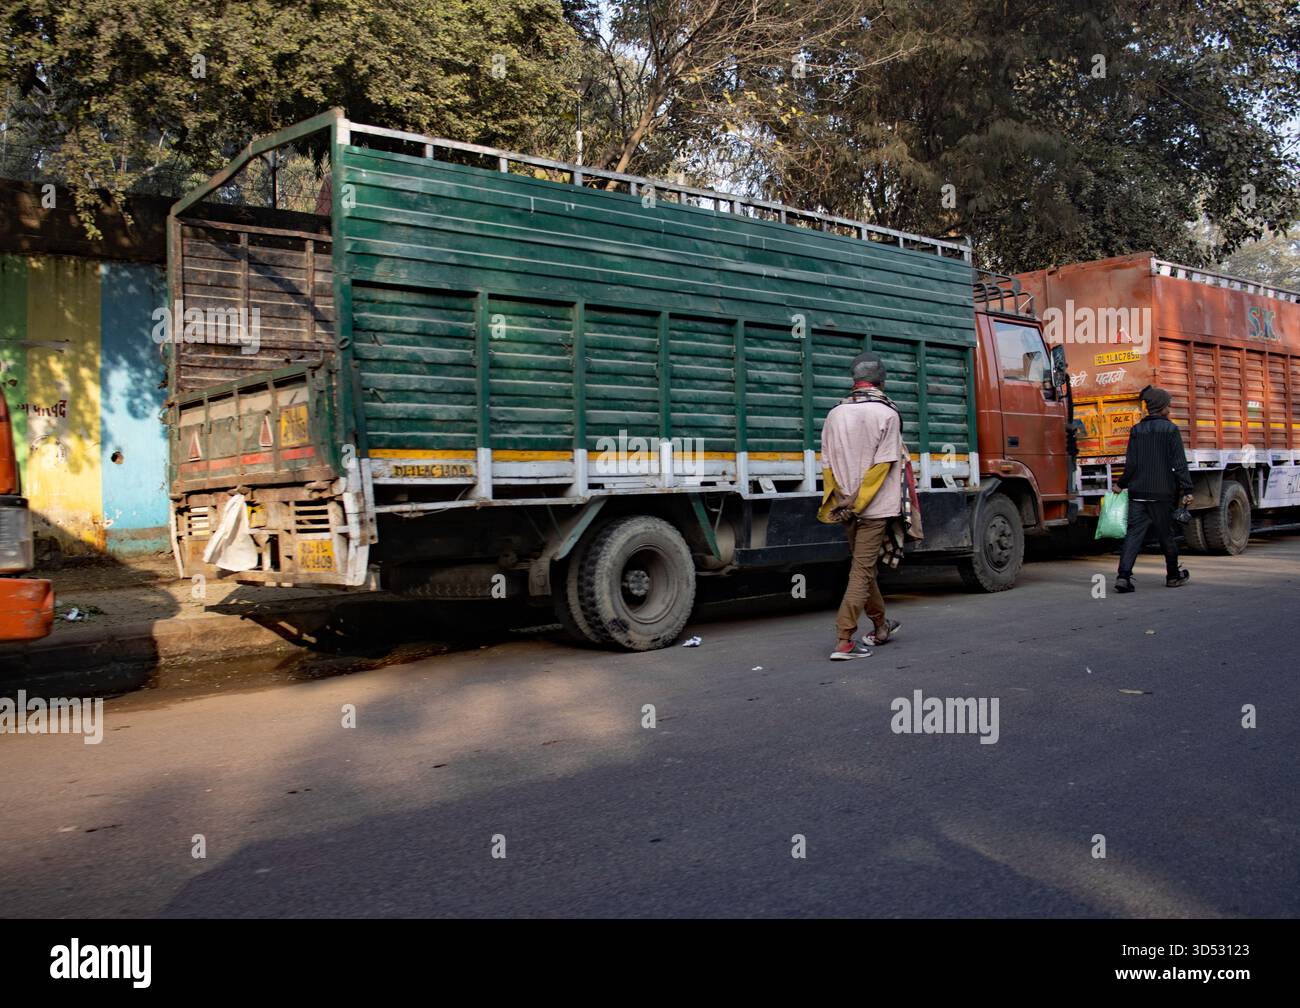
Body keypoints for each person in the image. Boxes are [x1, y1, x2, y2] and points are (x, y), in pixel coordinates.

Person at [818, 351, 918, 660]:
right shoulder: (887, 413)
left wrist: (841, 500)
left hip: (846, 507)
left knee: (865, 569)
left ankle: (880, 625)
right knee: (862, 571)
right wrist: (859, 498)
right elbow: (883, 464)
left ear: (855, 381)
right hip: (874, 508)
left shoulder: (834, 414)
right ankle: (844, 639)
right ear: (881, 381)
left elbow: (827, 465)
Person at [1114, 385, 1193, 593]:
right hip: (1162, 494)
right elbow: (1179, 463)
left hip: (1138, 493)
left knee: (1133, 535)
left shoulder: (1136, 430)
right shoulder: (1170, 429)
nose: (1170, 407)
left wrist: (1120, 484)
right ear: (1161, 407)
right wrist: (1187, 489)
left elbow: (1131, 464)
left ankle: (1123, 577)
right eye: (1168, 404)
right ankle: (1173, 576)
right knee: (1166, 535)